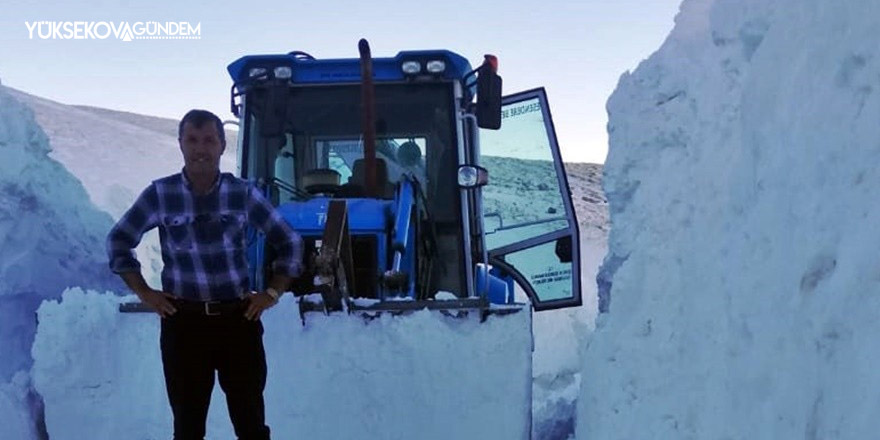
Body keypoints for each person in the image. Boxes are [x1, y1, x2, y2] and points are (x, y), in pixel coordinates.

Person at [106, 109, 302, 440]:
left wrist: (272, 293)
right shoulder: (160, 194)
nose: (201, 149)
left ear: (223, 146)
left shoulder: (243, 193)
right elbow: (118, 241)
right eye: (193, 140)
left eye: (209, 140)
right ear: (180, 144)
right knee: (187, 427)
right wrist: (146, 292)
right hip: (184, 325)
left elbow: (290, 242)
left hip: (238, 323)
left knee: (251, 424)